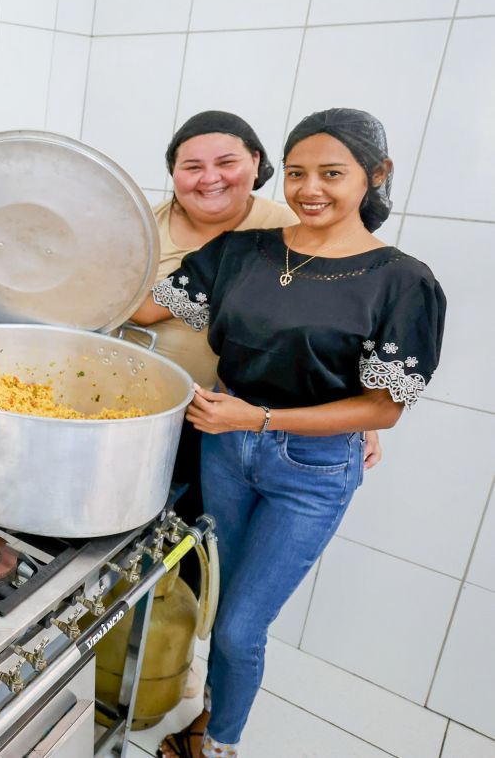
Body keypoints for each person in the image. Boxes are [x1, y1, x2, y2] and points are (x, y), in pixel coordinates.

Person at [131, 108, 446, 758]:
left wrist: (261, 418)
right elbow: (137, 307)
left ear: (376, 176)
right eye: (299, 171)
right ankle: (210, 714)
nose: (310, 188)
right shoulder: (241, 251)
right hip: (224, 448)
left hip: (310, 468)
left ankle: (219, 743)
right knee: (221, 606)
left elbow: (382, 409)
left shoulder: (402, 281)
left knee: (243, 626)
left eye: (333, 173)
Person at [148, 111, 301, 535]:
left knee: (193, 546)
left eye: (226, 162)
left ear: (255, 161)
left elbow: (330, 325)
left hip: (225, 426)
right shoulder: (141, 226)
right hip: (132, 413)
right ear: (174, 174)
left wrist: (356, 421)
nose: (209, 178)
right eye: (192, 167)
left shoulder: (288, 230)